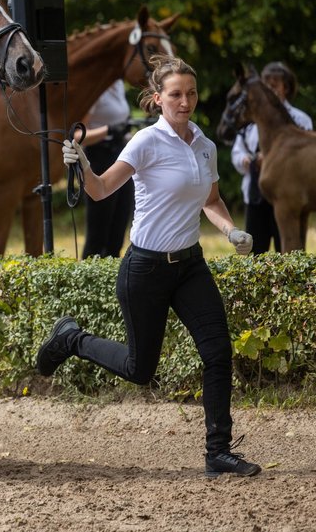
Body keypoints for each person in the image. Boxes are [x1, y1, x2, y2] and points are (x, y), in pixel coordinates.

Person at [35, 54, 262, 478]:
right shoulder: (145, 142)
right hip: (146, 269)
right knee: (140, 371)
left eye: (191, 93)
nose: (185, 101)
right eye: (175, 94)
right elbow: (101, 190)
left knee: (217, 352)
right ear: (158, 98)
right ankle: (71, 339)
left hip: (190, 266)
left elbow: (211, 201)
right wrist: (82, 162)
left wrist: (231, 230)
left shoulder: (205, 145)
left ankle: (218, 452)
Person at [231, 61, 313, 254]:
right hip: (255, 193)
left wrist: (270, 159)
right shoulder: (251, 120)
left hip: (289, 191)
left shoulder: (299, 119)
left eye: (274, 85)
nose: (269, 90)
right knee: (255, 247)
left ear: (286, 88)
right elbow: (237, 151)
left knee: (286, 241)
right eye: (265, 85)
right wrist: (245, 160)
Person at [80, 78, 134, 257]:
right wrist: (108, 130)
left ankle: (113, 270)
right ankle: (90, 269)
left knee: (119, 228)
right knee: (98, 232)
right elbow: (77, 135)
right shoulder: (95, 88)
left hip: (121, 153)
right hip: (99, 156)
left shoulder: (118, 84)